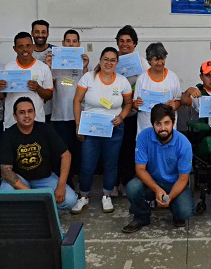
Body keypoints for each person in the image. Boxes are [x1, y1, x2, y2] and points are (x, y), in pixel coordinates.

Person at [73, 47, 133, 213]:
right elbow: (77, 101)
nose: (109, 63)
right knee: (87, 164)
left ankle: (106, 195)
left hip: (114, 129)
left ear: (117, 63)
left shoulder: (122, 81)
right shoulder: (88, 78)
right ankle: (83, 196)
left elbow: (129, 104)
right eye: (105, 59)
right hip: (90, 129)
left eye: (113, 60)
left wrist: (121, 117)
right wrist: (78, 125)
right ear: (100, 61)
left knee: (110, 164)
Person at [0, 97, 82, 212]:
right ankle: (36, 207)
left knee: (70, 201)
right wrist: (28, 191)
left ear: (35, 113)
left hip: (45, 178)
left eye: (30, 111)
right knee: (5, 195)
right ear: (15, 116)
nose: (27, 115)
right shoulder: (8, 135)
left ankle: (33, 207)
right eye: (22, 113)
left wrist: (61, 186)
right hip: (20, 179)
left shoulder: (45, 129)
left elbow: (66, 155)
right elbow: (5, 171)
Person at [122, 104, 193, 233]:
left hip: (174, 183)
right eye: (158, 124)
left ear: (173, 123)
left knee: (185, 212)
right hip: (151, 182)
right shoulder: (143, 137)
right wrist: (157, 189)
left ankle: (173, 207)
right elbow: (140, 169)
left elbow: (183, 178)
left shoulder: (184, 144)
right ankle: (141, 216)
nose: (163, 128)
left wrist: (170, 197)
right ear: (152, 124)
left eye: (166, 123)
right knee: (132, 187)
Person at [47, 29, 89, 185]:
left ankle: (77, 180)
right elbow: (49, 85)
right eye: (68, 41)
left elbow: (87, 87)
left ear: (79, 44)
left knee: (78, 151)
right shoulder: (55, 63)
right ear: (63, 43)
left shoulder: (82, 65)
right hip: (60, 115)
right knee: (63, 151)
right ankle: (65, 182)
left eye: (74, 41)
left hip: (78, 116)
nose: (71, 44)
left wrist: (84, 67)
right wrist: (48, 66)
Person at [115, 25, 150, 196]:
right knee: (113, 150)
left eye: (129, 41)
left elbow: (147, 84)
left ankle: (127, 183)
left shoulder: (142, 62)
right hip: (113, 113)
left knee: (129, 149)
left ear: (135, 44)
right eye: (121, 41)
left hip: (133, 114)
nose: (124, 44)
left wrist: (137, 101)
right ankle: (113, 184)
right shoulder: (110, 60)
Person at [0, 32, 54, 129]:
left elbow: (49, 95)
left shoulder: (43, 68)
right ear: (15, 49)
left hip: (36, 121)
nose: (25, 49)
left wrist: (38, 88)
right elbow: (2, 96)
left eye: (28, 46)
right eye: (20, 46)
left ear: (33, 47)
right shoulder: (7, 68)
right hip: (12, 122)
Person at [133, 42, 182, 135]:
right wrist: (137, 104)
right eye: (156, 60)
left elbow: (179, 100)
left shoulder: (172, 77)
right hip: (146, 126)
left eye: (162, 59)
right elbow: (135, 104)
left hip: (167, 130)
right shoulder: (142, 78)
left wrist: (175, 105)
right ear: (149, 60)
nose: (160, 63)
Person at [31, 20, 56, 122]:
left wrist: (57, 82)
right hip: (31, 106)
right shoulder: (26, 51)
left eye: (43, 32)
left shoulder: (56, 52)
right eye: (37, 32)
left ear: (48, 34)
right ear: (32, 33)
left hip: (51, 108)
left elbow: (66, 81)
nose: (40, 35)